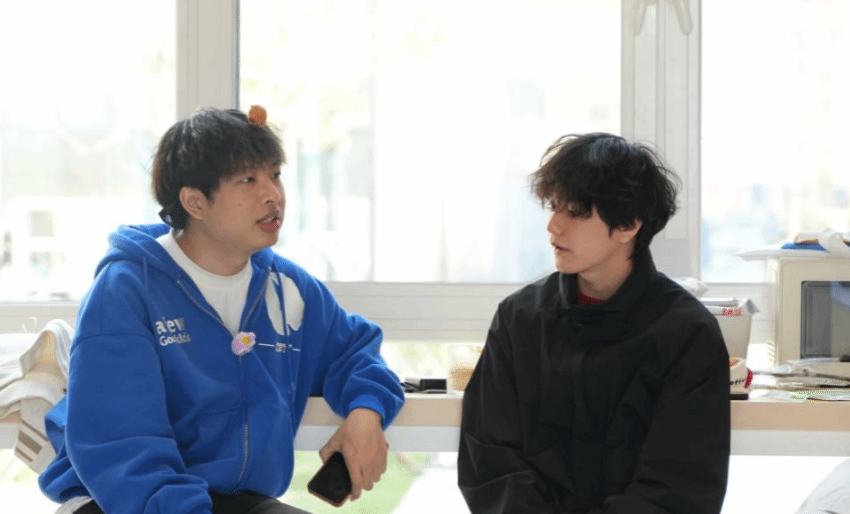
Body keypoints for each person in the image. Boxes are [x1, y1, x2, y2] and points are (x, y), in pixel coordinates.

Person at [37, 106, 405, 514]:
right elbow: (124, 448)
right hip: (120, 499)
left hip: (233, 497)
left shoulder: (288, 288)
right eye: (248, 179)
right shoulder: (126, 291)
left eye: (275, 174)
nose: (272, 194)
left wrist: (367, 412)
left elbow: (354, 351)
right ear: (195, 202)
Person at [457, 133, 730, 513]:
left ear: (628, 224)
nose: (553, 225)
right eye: (553, 206)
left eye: (574, 211)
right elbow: (490, 460)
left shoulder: (688, 334)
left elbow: (678, 488)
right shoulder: (519, 318)